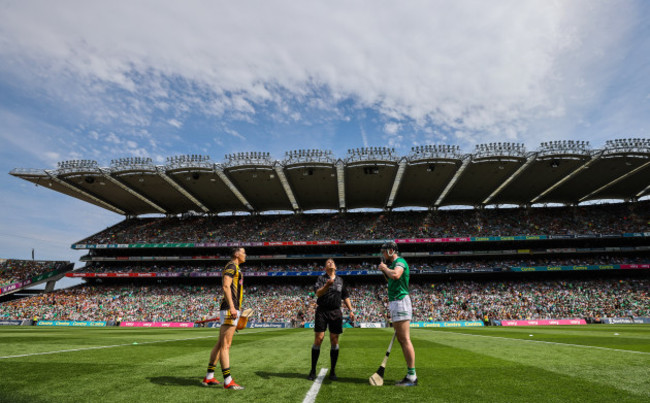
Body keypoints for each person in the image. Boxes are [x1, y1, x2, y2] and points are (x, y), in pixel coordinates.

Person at [202, 247, 246, 390]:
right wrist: (233, 307)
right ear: (236, 254)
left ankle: (209, 377)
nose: (245, 255)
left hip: (230, 308)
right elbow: (226, 286)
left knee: (221, 343)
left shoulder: (236, 268)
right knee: (226, 345)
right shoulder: (232, 266)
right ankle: (228, 380)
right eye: (243, 252)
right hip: (229, 308)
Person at [308, 258, 355, 381]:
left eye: (332, 262)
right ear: (325, 267)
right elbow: (318, 293)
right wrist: (326, 286)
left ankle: (333, 372)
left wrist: (350, 310)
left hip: (335, 311)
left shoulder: (340, 280)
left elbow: (345, 295)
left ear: (335, 267)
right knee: (319, 339)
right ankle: (313, 370)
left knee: (334, 341)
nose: (330, 263)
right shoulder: (320, 279)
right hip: (322, 311)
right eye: (328, 262)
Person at [378, 241, 417, 386]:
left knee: (405, 339)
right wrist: (384, 270)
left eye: (384, 251)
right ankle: (410, 375)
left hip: (400, 301)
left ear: (390, 250)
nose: (382, 254)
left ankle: (412, 376)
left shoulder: (400, 262)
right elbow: (390, 278)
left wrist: (385, 268)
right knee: (402, 340)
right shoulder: (392, 264)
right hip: (395, 302)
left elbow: (395, 275)